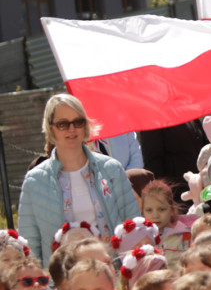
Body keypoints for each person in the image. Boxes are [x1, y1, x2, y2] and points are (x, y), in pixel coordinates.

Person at [18, 94, 138, 264]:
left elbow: (133, 227)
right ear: (51, 128)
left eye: (78, 122)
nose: (72, 129)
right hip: (62, 277)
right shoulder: (34, 181)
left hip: (112, 271)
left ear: (86, 125)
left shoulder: (112, 169)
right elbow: (30, 246)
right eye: (63, 124)